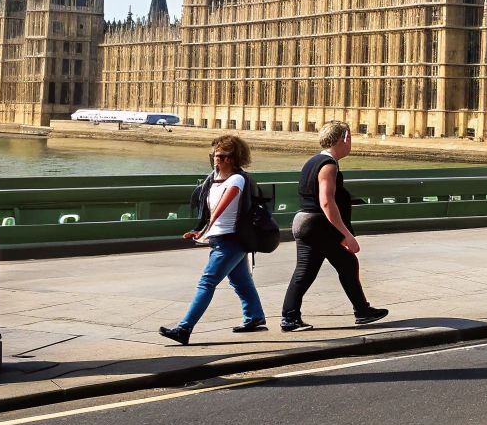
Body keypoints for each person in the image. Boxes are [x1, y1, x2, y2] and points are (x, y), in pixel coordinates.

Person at [159, 135, 268, 343]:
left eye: (219, 156)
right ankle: (255, 317)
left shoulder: (237, 179)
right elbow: (208, 212)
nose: (215, 159)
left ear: (231, 158)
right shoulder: (214, 180)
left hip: (231, 240)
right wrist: (198, 229)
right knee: (241, 281)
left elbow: (220, 209)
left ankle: (184, 328)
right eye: (215, 155)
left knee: (206, 282)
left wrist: (205, 231)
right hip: (221, 238)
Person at [280, 121, 388, 331]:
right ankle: (290, 318)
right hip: (316, 224)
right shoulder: (329, 165)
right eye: (351, 138)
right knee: (314, 270)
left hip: (304, 221)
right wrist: (346, 235)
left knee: (340, 264)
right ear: (344, 138)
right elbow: (327, 202)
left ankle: (361, 311)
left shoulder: (313, 161)